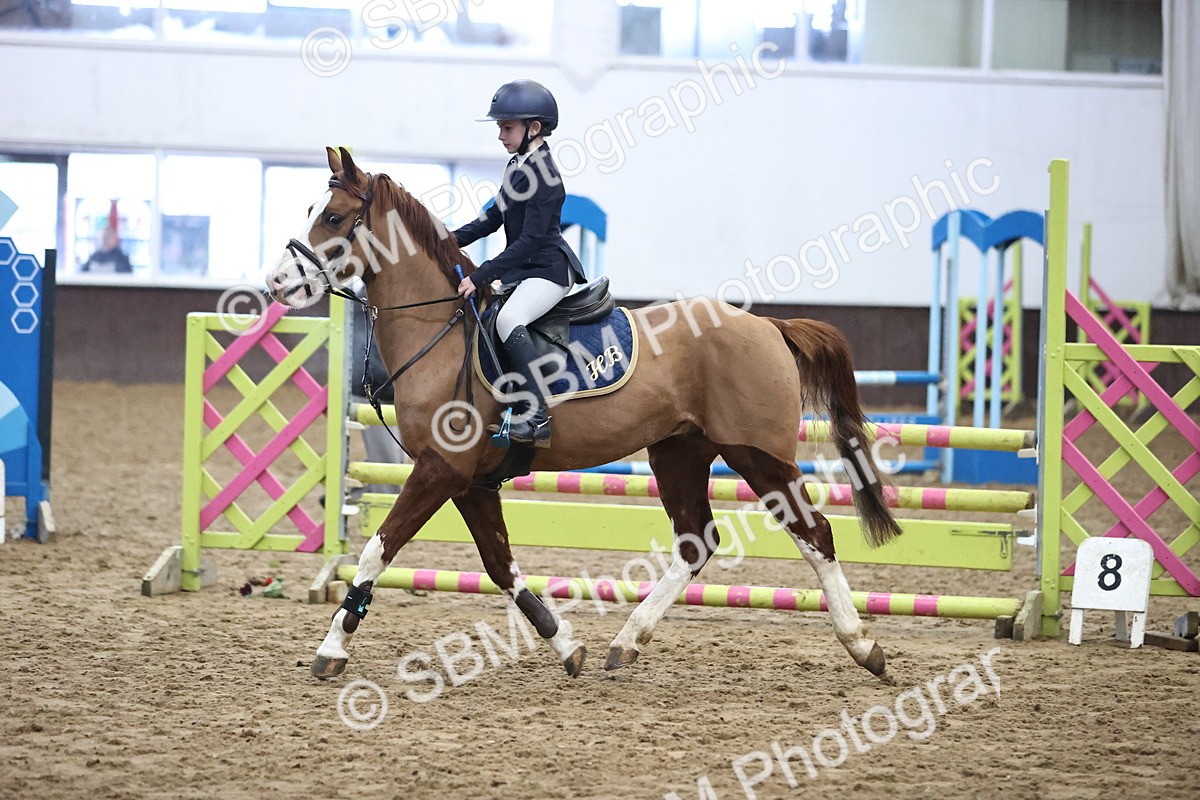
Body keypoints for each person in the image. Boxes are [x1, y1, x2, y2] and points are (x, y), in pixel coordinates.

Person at [453, 79, 585, 449]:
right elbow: (492, 218)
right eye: (500, 127)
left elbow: (530, 241)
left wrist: (481, 275)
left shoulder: (547, 177)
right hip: (526, 269)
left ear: (534, 128)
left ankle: (537, 414)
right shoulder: (517, 165)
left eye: (506, 127)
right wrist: (446, 239)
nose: (500, 135)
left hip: (548, 271)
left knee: (511, 319)